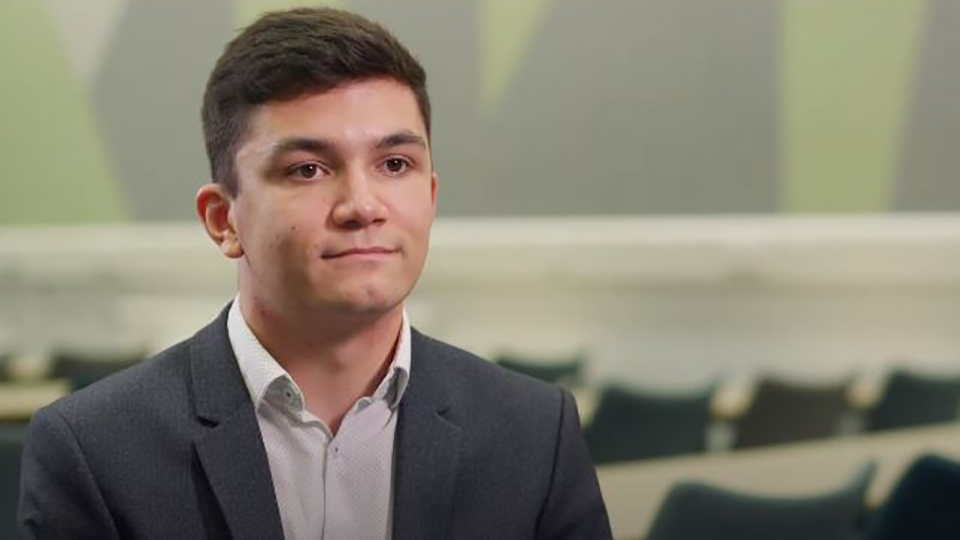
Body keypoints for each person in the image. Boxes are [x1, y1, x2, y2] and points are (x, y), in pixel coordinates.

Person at [18, 7, 611, 540]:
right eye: (307, 169)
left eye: (394, 164)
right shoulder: (94, 450)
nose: (363, 205)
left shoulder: (534, 434)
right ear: (224, 220)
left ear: (430, 197)